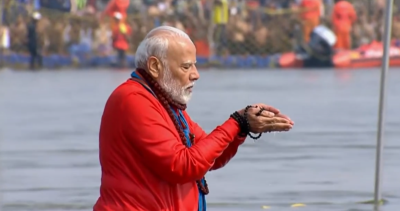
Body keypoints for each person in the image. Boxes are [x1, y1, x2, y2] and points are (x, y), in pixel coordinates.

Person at [93, 26, 294, 211]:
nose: (196, 75)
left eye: (194, 66)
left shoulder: (166, 103)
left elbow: (212, 158)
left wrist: (243, 127)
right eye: (186, 67)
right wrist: (236, 121)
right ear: (155, 66)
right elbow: (184, 166)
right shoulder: (133, 99)